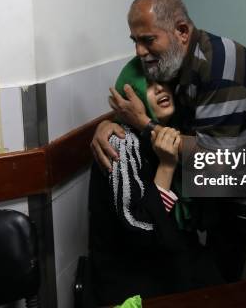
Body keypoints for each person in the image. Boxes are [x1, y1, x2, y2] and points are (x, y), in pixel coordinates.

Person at [91, 0, 246, 283]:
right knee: (223, 280)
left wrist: (146, 125)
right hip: (230, 195)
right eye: (135, 41)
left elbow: (215, 162)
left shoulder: (219, 70)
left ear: (182, 31)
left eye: (147, 40)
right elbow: (141, 99)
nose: (139, 52)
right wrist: (108, 124)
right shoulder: (176, 62)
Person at [88, 57, 222, 306]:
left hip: (168, 258)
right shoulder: (119, 142)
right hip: (133, 278)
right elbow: (142, 230)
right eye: (148, 85)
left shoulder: (173, 128)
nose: (159, 88)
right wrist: (167, 165)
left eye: (161, 81)